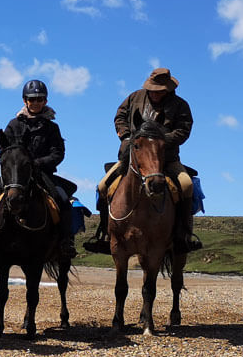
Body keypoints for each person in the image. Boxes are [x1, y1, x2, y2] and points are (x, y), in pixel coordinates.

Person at [83, 68, 203, 255]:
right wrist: (126, 135)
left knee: (187, 185)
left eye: (160, 90)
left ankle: (183, 235)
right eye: (153, 89)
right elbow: (120, 116)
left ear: (168, 89)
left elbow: (183, 130)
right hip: (132, 156)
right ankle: (105, 235)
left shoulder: (180, 105)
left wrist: (158, 141)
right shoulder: (134, 97)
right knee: (102, 186)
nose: (155, 93)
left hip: (166, 158)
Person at [0, 80, 78, 258]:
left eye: (39, 99)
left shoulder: (52, 128)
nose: (35, 102)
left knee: (62, 200)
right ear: (25, 101)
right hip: (16, 175)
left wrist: (36, 163)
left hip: (42, 173)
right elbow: (4, 151)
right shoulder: (13, 124)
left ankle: (65, 240)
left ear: (45, 101)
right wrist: (17, 164)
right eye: (32, 99)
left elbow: (58, 153)